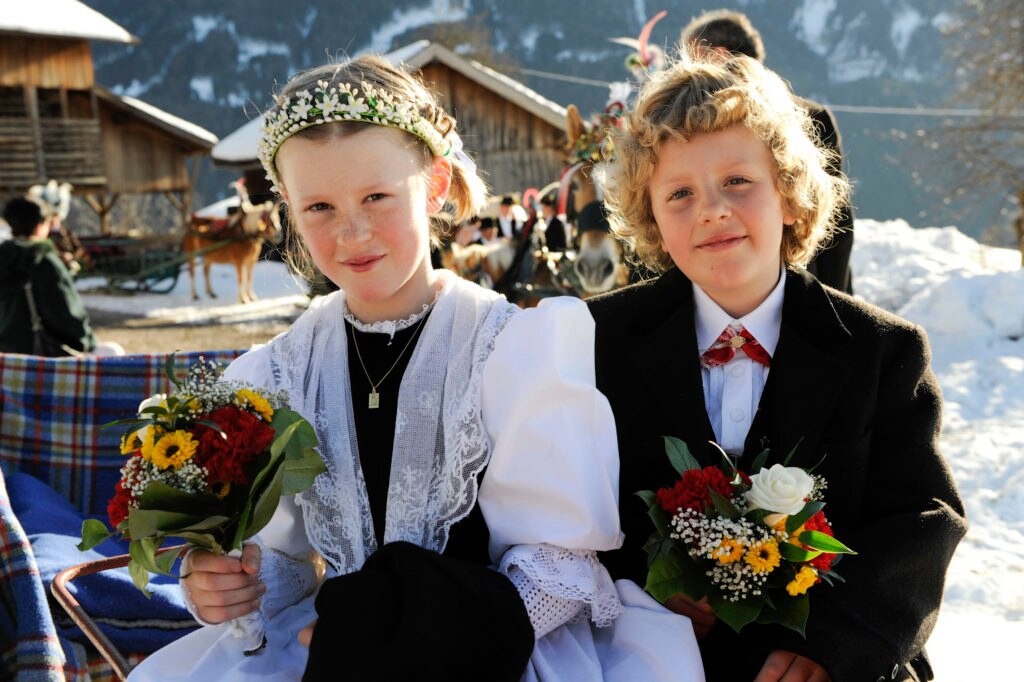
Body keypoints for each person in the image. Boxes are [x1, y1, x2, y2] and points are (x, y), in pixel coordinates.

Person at [128, 55, 702, 682]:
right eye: (319, 207)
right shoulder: (278, 373)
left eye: (377, 196)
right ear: (287, 208)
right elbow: (284, 563)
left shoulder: (513, 349)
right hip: (333, 646)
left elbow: (554, 568)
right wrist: (226, 582)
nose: (352, 232)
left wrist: (404, 633)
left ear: (432, 186)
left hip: (488, 647)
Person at [588, 52, 967, 681]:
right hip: (650, 653)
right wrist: (636, 583)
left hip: (835, 655)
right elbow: (568, 509)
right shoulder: (599, 342)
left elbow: (918, 520)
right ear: (650, 217)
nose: (711, 209)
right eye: (679, 193)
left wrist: (833, 646)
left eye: (738, 181)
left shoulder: (881, 352)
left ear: (789, 195)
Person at [680, 8, 855, 294]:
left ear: (718, 57)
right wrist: (835, 302)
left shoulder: (689, 130)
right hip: (805, 293)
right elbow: (837, 229)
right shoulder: (811, 114)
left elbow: (834, 221)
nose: (682, 76)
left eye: (689, 62)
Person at [0, 197, 97, 356]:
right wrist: (88, 342)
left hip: (5, 356)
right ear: (40, 225)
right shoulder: (44, 261)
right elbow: (67, 314)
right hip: (41, 356)